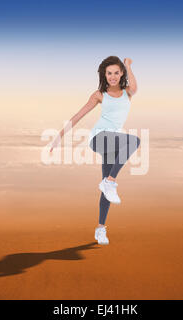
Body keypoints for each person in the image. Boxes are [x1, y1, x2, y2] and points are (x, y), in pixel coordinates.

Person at [49, 56, 140, 245]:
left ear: (121, 73)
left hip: (113, 141)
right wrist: (59, 135)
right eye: (109, 73)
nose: (113, 77)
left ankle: (100, 228)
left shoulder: (127, 93)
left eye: (116, 72)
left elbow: (134, 87)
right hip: (99, 138)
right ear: (104, 75)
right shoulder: (99, 94)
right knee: (134, 141)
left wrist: (129, 65)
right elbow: (78, 115)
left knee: (106, 190)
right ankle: (110, 181)